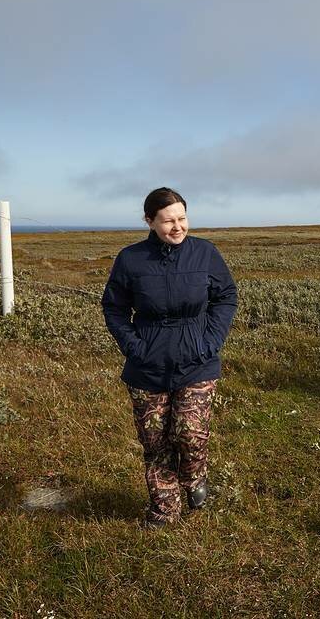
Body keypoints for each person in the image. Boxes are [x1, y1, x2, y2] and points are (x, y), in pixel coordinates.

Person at [102, 187, 237, 527]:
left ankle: (194, 477)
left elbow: (226, 297)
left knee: (189, 433)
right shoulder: (130, 259)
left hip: (198, 360)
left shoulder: (204, 253)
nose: (177, 227)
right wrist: (136, 347)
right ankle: (165, 509)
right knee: (155, 441)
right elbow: (114, 308)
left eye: (182, 218)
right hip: (147, 365)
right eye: (168, 221)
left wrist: (210, 341)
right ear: (149, 222)